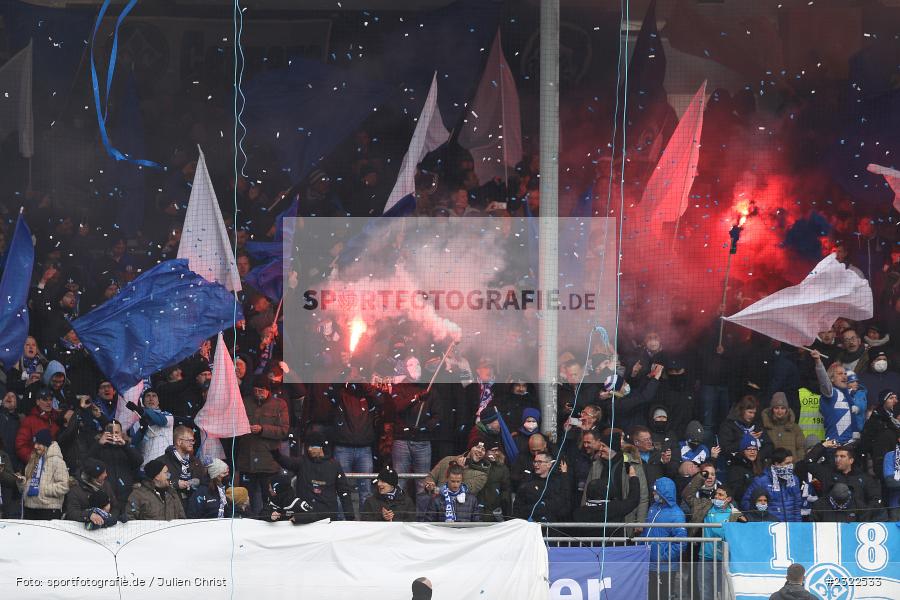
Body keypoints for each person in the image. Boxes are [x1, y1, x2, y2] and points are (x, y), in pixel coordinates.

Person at [271, 431, 355, 521]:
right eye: (308, 446)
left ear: (321, 447)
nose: (309, 449)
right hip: (305, 514)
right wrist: (277, 455)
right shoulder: (302, 462)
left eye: (313, 446)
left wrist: (349, 515)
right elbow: (288, 462)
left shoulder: (334, 465)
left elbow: (344, 491)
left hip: (327, 516)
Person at [237, 374, 289, 515]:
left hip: (269, 462)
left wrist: (262, 429)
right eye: (256, 390)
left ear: (268, 390)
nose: (258, 393)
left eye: (261, 390)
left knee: (269, 498)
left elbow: (283, 430)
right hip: (246, 460)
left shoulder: (280, 405)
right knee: (246, 499)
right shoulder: (244, 402)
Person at [798, 440, 884, 518]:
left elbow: (875, 500)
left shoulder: (864, 478)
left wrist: (863, 515)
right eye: (836, 456)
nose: (838, 459)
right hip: (831, 522)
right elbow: (809, 462)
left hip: (855, 523)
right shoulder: (828, 474)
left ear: (851, 460)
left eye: (842, 456)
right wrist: (823, 445)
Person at [643, 477, 687, 600]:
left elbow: (681, 543)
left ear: (664, 493)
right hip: (649, 564)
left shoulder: (676, 514)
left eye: (656, 491)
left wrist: (663, 557)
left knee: (662, 596)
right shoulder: (653, 508)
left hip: (664, 567)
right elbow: (647, 531)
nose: (653, 493)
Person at [696, 484, 741, 600]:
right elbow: (688, 495)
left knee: (723, 591)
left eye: (721, 495)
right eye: (716, 494)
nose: (717, 497)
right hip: (706, 556)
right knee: (705, 591)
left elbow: (731, 534)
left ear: (728, 499)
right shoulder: (706, 508)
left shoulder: (734, 513)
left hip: (724, 558)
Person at [811, 350, 861, 444]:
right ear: (832, 379)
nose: (844, 376)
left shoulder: (849, 396)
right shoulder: (830, 393)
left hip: (850, 444)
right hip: (835, 444)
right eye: (840, 374)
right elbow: (823, 380)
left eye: (845, 373)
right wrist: (818, 361)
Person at [89, 420, 143, 505]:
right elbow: (87, 462)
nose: (114, 435)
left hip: (126, 496)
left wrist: (125, 446)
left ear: (121, 433)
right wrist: (99, 444)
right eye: (110, 432)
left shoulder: (126, 447)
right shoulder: (98, 447)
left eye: (117, 432)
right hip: (106, 497)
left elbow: (139, 461)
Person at [18, 429, 69, 520]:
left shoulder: (57, 461)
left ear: (46, 444)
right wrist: (22, 482)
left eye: (39, 443)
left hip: (48, 510)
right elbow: (28, 483)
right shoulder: (33, 460)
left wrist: (43, 489)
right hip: (29, 507)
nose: (35, 446)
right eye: (35, 443)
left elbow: (64, 486)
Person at [741, 449, 803, 522]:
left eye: (791, 463)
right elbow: (746, 501)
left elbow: (797, 505)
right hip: (770, 526)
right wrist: (759, 517)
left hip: (790, 526)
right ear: (777, 463)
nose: (790, 466)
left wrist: (798, 525)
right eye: (787, 463)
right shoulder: (761, 480)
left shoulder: (794, 480)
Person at [157, 425, 206, 509]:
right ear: (179, 442)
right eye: (189, 440)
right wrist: (175, 484)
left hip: (194, 507)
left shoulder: (196, 462)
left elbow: (205, 482)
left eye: (193, 440)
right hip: (171, 507)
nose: (192, 443)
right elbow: (155, 484)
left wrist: (198, 482)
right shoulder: (162, 461)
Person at [513, 451, 571, 522]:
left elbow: (564, 503)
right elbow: (518, 507)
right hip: (531, 525)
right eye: (535, 462)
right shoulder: (527, 482)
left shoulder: (556, 482)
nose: (536, 465)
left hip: (552, 526)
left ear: (549, 464)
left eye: (539, 462)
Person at [125, 388, 174, 466]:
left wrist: (141, 410)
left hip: (166, 464)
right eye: (148, 396)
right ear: (143, 401)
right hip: (146, 466)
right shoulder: (136, 424)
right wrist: (142, 429)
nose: (151, 399)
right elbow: (134, 443)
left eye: (154, 396)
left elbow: (161, 421)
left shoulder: (167, 415)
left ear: (158, 401)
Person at [63, 458, 119, 523]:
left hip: (105, 529)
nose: (106, 475)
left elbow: (115, 506)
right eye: (103, 473)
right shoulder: (75, 491)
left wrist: (111, 517)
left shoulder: (106, 485)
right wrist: (89, 515)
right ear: (94, 477)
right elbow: (72, 513)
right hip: (82, 530)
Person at [861, 389, 900, 476]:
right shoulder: (876, 419)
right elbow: (866, 442)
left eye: (896, 398)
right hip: (881, 461)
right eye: (891, 398)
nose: (895, 401)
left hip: (894, 459)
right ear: (883, 401)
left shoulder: (892, 418)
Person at [762, 392, 807, 460]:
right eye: (776, 408)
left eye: (783, 408)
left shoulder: (795, 428)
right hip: (770, 468)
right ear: (772, 409)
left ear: (787, 410)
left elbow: (801, 449)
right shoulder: (765, 427)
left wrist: (798, 465)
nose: (779, 411)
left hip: (791, 467)